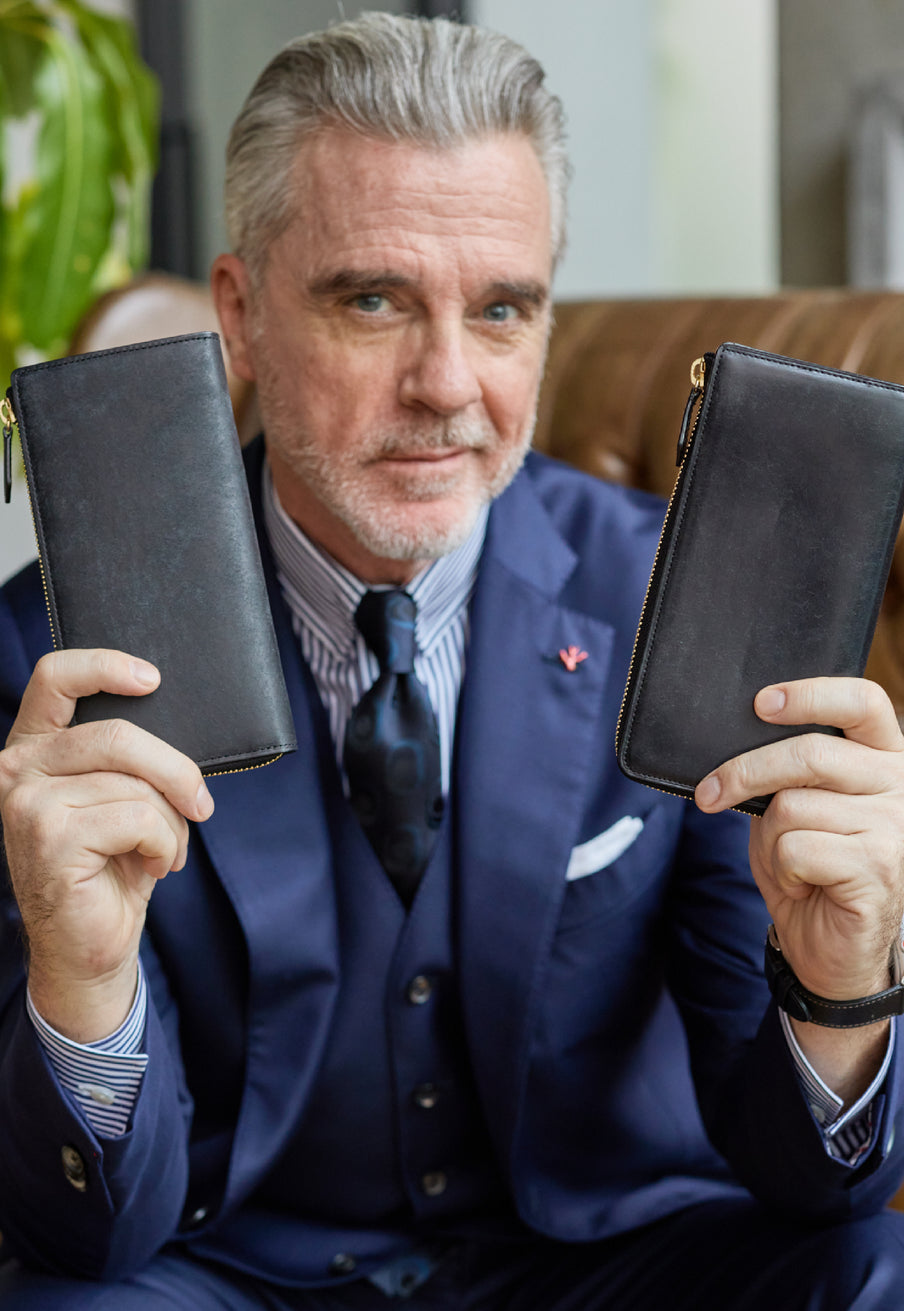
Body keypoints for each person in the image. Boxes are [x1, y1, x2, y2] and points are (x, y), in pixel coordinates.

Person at [1, 12, 904, 1309]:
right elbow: (79, 1240)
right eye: (372, 300)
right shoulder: (52, 662)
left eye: (501, 310)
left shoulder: (679, 606)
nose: (446, 383)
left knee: (875, 1274)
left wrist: (842, 986)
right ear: (241, 316)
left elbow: (813, 1186)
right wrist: (81, 983)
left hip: (603, 1269)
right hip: (232, 1274)